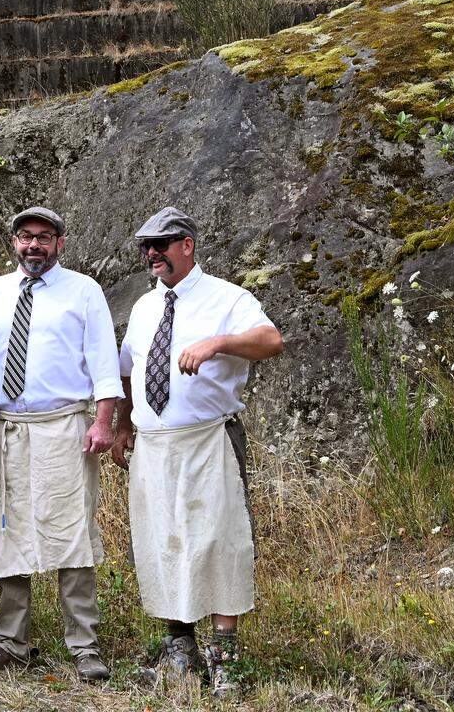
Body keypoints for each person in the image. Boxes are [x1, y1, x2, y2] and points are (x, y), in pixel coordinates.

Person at [110, 206, 283, 695]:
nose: (151, 254)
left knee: (218, 539)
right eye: (145, 246)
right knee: (161, 539)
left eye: (160, 244)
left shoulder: (227, 298)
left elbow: (271, 340)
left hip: (210, 438)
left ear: (187, 244)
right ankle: (180, 654)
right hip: (155, 444)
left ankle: (226, 660)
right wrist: (125, 425)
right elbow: (129, 370)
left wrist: (218, 344)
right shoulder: (145, 308)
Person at [0, 206, 122, 682]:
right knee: (8, 529)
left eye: (44, 237)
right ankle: (12, 643)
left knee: (70, 530)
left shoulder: (83, 291)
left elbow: (103, 362)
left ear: (60, 242)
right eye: (26, 237)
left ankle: (84, 644)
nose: (34, 245)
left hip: (64, 426)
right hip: (5, 425)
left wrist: (103, 423)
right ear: (13, 242)